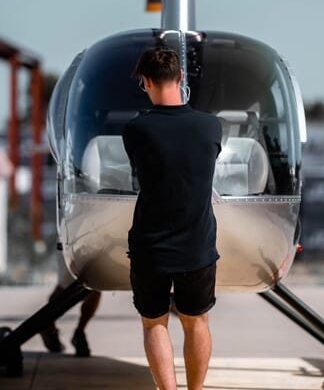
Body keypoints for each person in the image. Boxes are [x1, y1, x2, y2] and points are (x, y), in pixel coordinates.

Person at [122, 46, 222, 390]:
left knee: (154, 324)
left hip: (151, 246)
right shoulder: (211, 126)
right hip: (197, 245)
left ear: (146, 82)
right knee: (197, 322)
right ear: (181, 78)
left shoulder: (136, 130)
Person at [40, 251, 101, 357]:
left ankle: (79, 332)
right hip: (71, 243)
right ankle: (49, 327)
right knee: (65, 286)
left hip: (97, 244)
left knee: (96, 287)